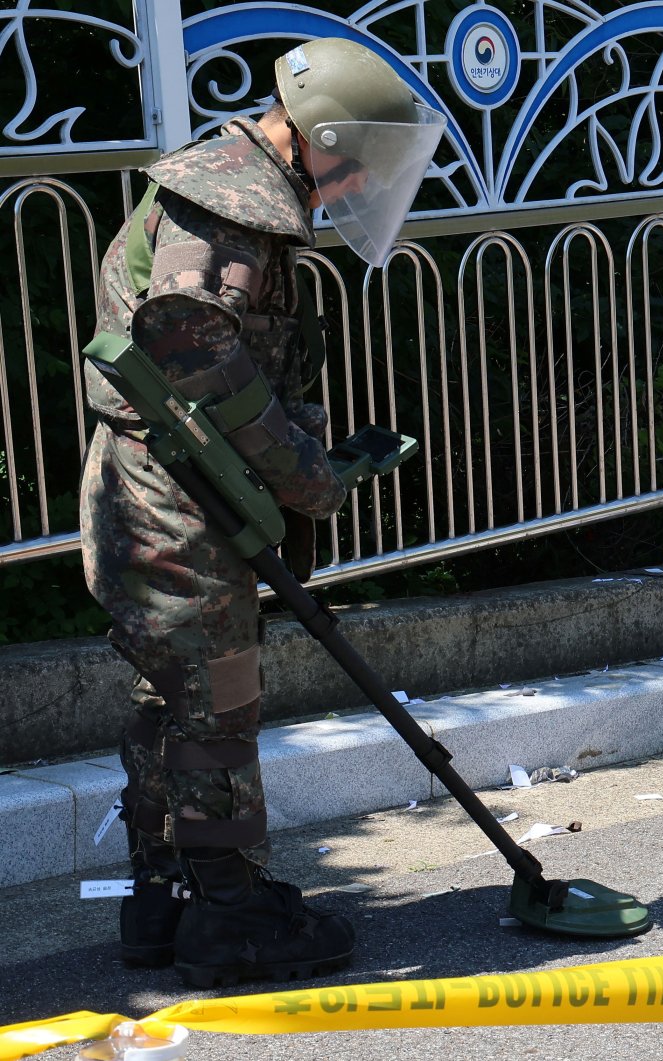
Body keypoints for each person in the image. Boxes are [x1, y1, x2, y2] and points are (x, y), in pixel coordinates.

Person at [79, 37, 444, 988]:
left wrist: (296, 463)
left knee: (174, 700)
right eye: (355, 157)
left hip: (165, 488)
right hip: (174, 499)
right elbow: (186, 340)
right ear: (316, 135)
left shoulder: (238, 189)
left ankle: (162, 900)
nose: (358, 179)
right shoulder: (230, 204)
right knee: (215, 704)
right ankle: (231, 917)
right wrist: (305, 475)